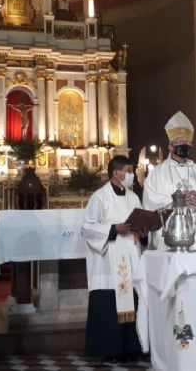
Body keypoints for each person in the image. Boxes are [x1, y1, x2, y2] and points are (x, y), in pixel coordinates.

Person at [82, 155, 147, 361]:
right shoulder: (99, 197)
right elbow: (87, 227)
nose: (132, 175)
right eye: (129, 171)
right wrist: (113, 229)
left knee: (134, 298)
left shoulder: (134, 197)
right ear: (117, 173)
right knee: (109, 302)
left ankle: (133, 347)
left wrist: (143, 232)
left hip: (131, 256)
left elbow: (141, 224)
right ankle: (109, 349)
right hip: (109, 259)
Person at [143, 111, 196, 251]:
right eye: (180, 142)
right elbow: (150, 202)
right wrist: (177, 200)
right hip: (172, 230)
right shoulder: (158, 173)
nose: (185, 145)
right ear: (171, 146)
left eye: (187, 142)